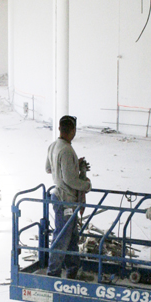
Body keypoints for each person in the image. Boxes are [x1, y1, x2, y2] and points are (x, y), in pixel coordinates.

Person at [45, 115, 92, 278]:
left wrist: (72, 165)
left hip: (59, 196)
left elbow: (49, 169)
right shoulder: (67, 150)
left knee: (71, 238)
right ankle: (54, 272)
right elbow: (70, 180)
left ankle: (72, 270)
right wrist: (86, 185)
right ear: (73, 131)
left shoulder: (53, 146)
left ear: (59, 128)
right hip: (67, 200)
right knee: (62, 237)